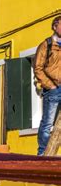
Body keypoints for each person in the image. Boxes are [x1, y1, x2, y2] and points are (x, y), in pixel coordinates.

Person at [34, 16, 61, 155]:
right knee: (47, 123)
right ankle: (42, 153)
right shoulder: (47, 45)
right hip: (53, 89)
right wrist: (50, 85)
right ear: (55, 26)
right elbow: (37, 67)